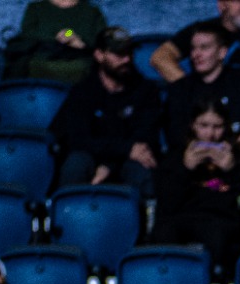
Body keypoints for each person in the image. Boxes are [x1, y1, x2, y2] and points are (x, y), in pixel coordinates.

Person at [51, 26, 163, 192]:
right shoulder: (83, 91)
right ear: (99, 55)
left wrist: (110, 165)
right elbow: (77, 139)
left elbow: (144, 139)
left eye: (129, 53)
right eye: (119, 54)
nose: (126, 60)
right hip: (95, 155)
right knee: (76, 164)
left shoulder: (145, 90)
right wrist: (124, 149)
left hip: (127, 160)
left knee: (142, 167)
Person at [154, 102, 240, 271]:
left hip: (221, 220)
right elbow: (167, 205)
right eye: (203, 126)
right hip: (184, 217)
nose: (210, 134)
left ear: (226, 127)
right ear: (192, 125)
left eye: (217, 127)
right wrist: (185, 168)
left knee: (217, 233)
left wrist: (230, 170)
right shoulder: (176, 156)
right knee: (165, 233)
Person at [162, 23, 240, 159]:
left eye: (204, 48)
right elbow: (174, 132)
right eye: (193, 48)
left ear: (222, 52)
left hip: (239, 157)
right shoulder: (180, 88)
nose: (196, 54)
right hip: (194, 158)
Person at [152, 0, 240, 92]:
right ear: (222, 4)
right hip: (207, 111)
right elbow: (160, 58)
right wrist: (191, 89)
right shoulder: (201, 31)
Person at [5, 0, 106, 84]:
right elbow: (27, 35)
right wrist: (59, 37)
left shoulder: (91, 12)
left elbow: (101, 41)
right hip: (38, 72)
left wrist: (80, 42)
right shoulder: (36, 9)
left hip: (82, 72)